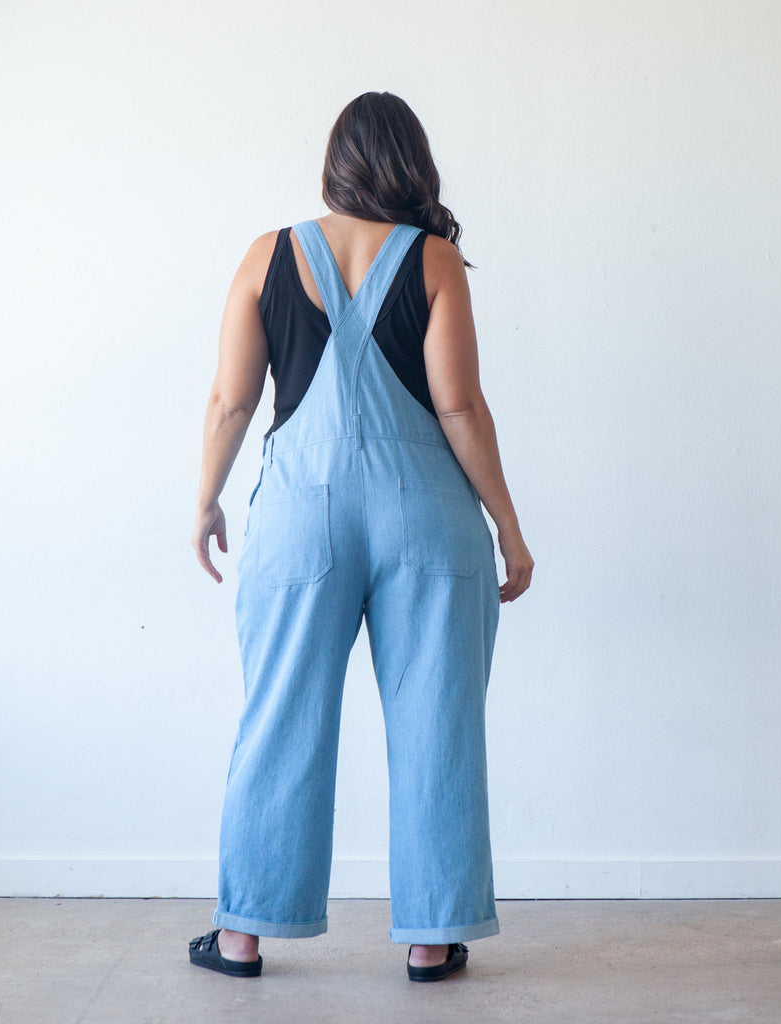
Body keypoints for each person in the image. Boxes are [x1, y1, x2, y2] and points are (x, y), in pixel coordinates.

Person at [188, 91, 533, 982]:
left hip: (300, 513)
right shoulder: (434, 259)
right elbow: (459, 405)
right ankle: (431, 936)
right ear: (412, 163)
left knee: (279, 713)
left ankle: (242, 935)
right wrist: (508, 525)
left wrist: (206, 498)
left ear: (334, 163)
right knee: (437, 721)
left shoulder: (267, 255)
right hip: (426, 516)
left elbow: (231, 400)